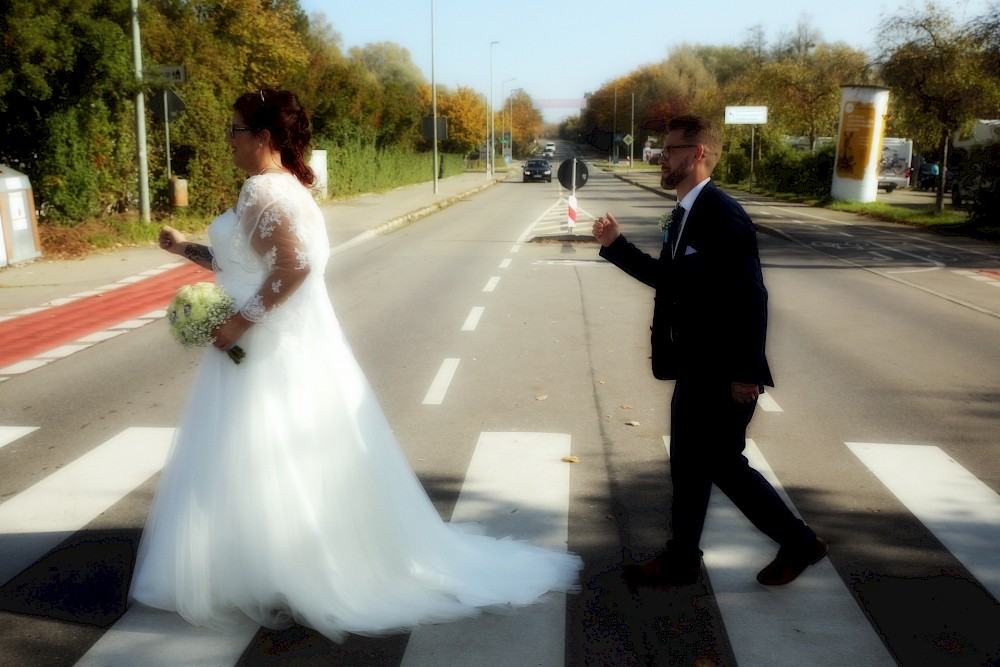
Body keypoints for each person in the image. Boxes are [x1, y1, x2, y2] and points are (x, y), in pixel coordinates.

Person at [130, 89, 581, 641]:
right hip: (281, 346)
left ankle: (288, 572)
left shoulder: (261, 191)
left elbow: (292, 269)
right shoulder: (284, 188)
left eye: (235, 128)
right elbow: (245, 260)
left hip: (266, 348)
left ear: (263, 137)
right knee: (268, 460)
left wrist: (239, 322)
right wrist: (186, 250)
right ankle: (278, 565)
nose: (229, 138)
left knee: (261, 457)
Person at [592, 114, 827, 588]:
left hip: (724, 369)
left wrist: (745, 372)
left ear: (698, 153)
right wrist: (616, 246)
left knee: (722, 464)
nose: (662, 157)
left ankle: (800, 542)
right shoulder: (683, 213)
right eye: (662, 149)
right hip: (695, 366)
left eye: (672, 149)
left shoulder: (722, 214)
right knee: (688, 465)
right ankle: (681, 559)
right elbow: (672, 280)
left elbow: (751, 297)